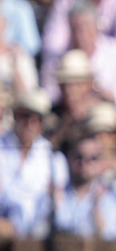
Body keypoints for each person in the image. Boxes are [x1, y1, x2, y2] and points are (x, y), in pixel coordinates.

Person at [0, 89, 67, 239]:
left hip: (38, 237)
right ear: (16, 116)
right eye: (26, 116)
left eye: (37, 119)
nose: (30, 124)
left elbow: (57, 206)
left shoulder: (52, 157)